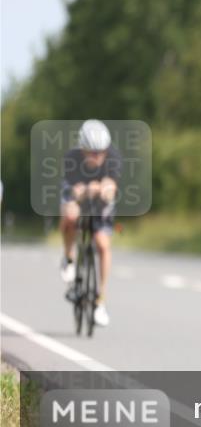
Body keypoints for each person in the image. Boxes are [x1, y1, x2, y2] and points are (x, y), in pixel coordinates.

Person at [59, 119, 121, 326]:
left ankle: (100, 301)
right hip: (78, 197)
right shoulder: (72, 158)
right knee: (69, 215)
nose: (98, 156)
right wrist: (86, 191)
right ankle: (69, 259)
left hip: (100, 201)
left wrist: (105, 189)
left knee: (103, 245)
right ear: (83, 149)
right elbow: (72, 192)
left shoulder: (112, 156)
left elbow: (111, 189)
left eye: (101, 151)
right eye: (93, 152)